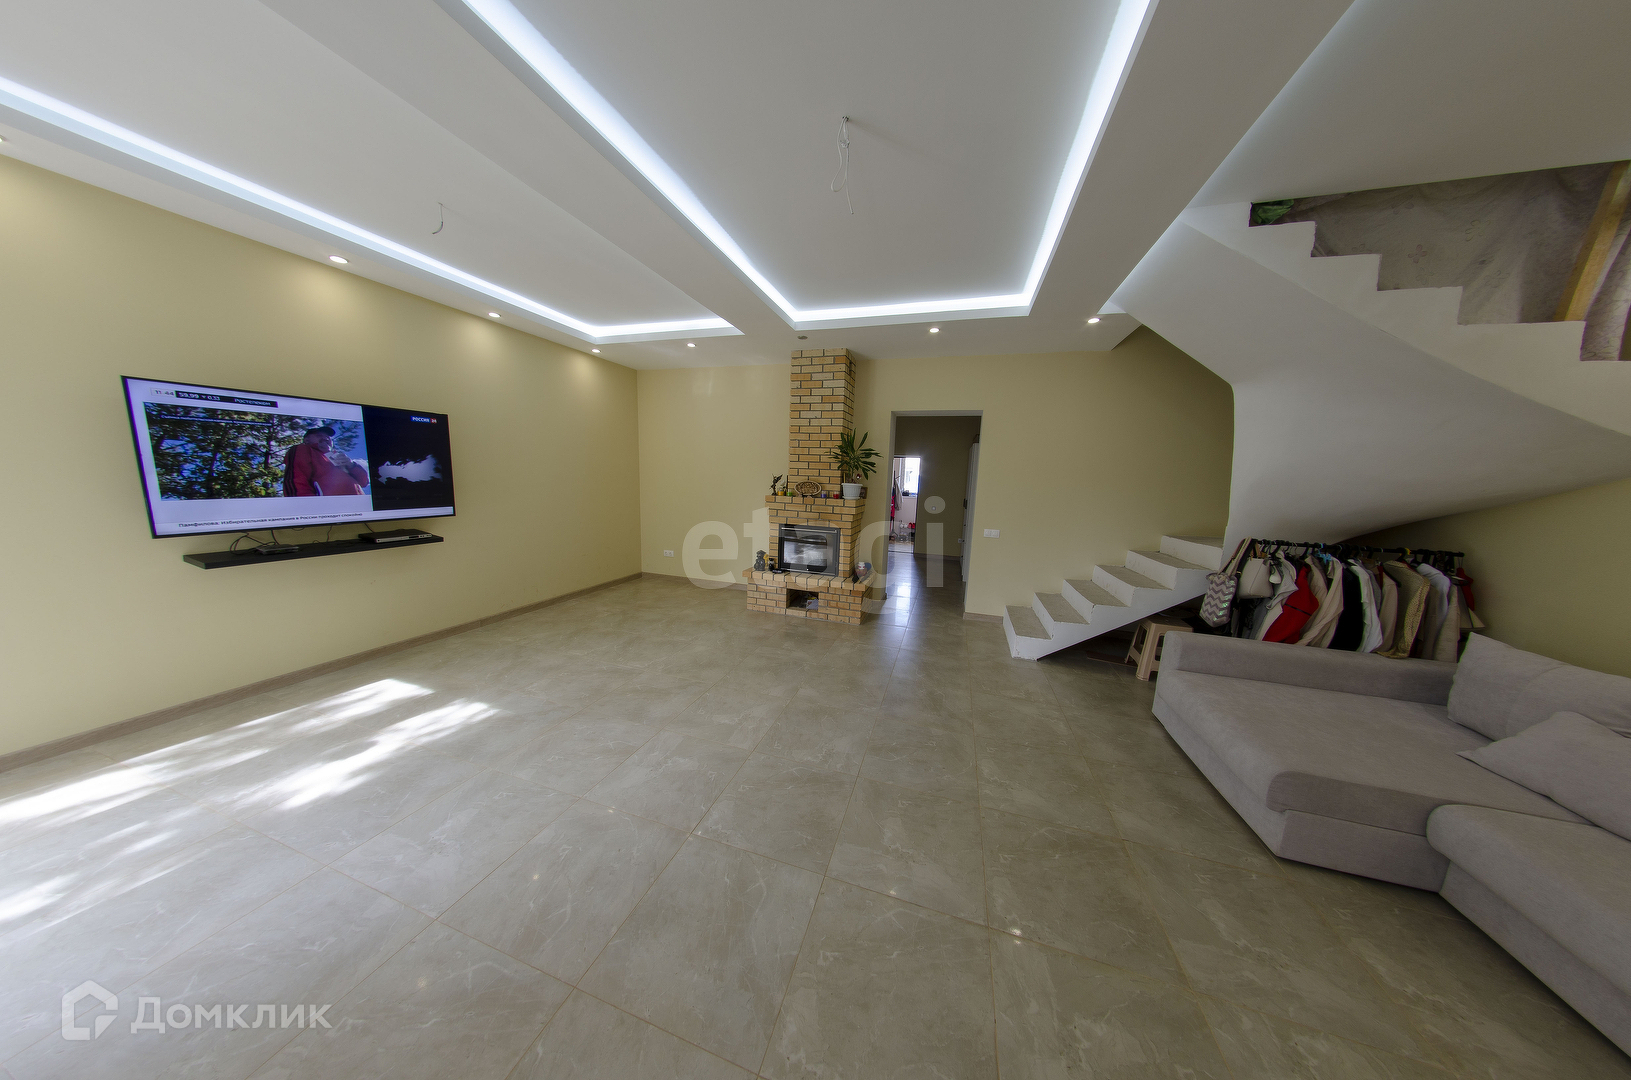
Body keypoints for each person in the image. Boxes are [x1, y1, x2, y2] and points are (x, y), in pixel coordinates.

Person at [282, 426, 369, 496]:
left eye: (328, 437)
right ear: (306, 440)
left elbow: (364, 482)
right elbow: (296, 480)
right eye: (319, 435)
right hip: (330, 509)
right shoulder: (303, 449)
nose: (326, 438)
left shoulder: (336, 457)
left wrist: (351, 465)